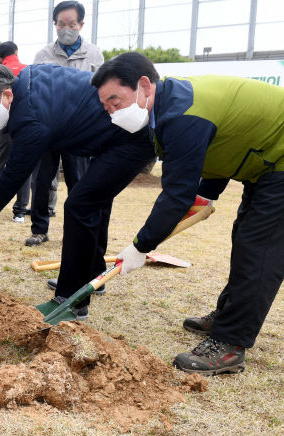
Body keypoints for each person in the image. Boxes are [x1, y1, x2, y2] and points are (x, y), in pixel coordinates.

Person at [91, 52, 284, 375]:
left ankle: (229, 343)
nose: (112, 112)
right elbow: (224, 140)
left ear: (143, 85)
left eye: (116, 100)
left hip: (278, 159)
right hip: (266, 163)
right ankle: (229, 315)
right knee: (246, 237)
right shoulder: (171, 105)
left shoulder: (181, 115)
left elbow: (176, 195)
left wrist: (141, 246)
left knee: (260, 249)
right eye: (107, 107)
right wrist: (207, 194)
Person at [0, 63, 154, 321]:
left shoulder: (29, 119)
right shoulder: (29, 75)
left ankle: (72, 299)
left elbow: (13, 176)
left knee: (80, 205)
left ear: (7, 94)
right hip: (111, 136)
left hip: (129, 139)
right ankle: (93, 276)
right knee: (93, 203)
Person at [29, 0, 102, 248]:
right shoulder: (43, 55)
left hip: (79, 130)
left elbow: (99, 91)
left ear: (81, 24)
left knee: (78, 181)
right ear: (55, 25)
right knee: (42, 180)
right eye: (61, 24)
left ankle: (76, 228)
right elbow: (35, 92)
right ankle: (39, 228)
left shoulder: (93, 54)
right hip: (48, 129)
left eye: (72, 24)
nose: (66, 29)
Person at [0, 44, 31, 223]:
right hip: (24, 125)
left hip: (4, 124)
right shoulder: (27, 70)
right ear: (16, 53)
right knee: (24, 166)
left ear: (0, 58)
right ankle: (20, 211)